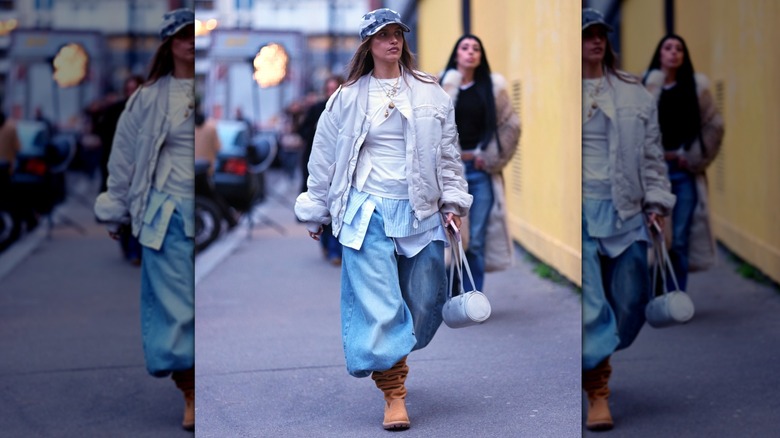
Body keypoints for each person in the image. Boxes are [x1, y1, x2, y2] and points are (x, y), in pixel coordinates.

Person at [294, 7, 472, 431]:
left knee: (424, 301)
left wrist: (452, 203)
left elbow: (448, 155)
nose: (392, 40)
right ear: (368, 45)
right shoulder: (348, 96)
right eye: (382, 35)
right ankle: (395, 394)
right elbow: (324, 158)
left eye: (397, 33)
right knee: (381, 305)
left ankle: (395, 358)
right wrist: (317, 208)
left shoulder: (431, 93)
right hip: (366, 209)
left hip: (419, 209)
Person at [93, 8, 195, 431]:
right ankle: (191, 391)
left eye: (195, 35)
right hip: (166, 214)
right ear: (169, 45)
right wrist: (117, 209)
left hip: (203, 213)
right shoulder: (149, 97)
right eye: (182, 36)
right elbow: (125, 160)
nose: (191, 42)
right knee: (178, 309)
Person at [580, 8, 675, 431]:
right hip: (579, 211)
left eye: (601, 34)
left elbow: (653, 154)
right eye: (587, 35)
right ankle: (598, 393)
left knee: (631, 300)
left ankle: (593, 358)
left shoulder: (634, 92)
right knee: (591, 310)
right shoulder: (562, 92)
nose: (596, 41)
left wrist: (656, 202)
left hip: (626, 209)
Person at [642, 34, 724, 291]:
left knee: (679, 239)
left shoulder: (696, 88)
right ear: (660, 54)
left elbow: (715, 124)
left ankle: (677, 297)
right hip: (653, 172)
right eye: (668, 48)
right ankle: (655, 292)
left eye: (679, 49)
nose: (674, 52)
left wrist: (694, 158)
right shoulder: (646, 86)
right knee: (655, 236)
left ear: (684, 56)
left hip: (682, 171)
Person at [439, 34, 521, 291]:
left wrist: (491, 157)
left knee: (476, 239)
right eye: (465, 48)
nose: (470, 52)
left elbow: (511, 124)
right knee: (451, 235)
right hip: (449, 173)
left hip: (479, 170)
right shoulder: (441, 86)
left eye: (476, 48)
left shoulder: (493, 87)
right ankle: (451, 292)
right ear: (456, 55)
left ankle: (474, 297)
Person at [298, 74, 345, 265]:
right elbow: (302, 131)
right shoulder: (317, 109)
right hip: (316, 163)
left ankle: (335, 251)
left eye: (334, 88)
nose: (331, 92)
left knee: (335, 208)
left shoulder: (347, 108)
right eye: (328, 89)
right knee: (321, 205)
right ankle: (327, 245)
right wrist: (317, 129)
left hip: (340, 165)